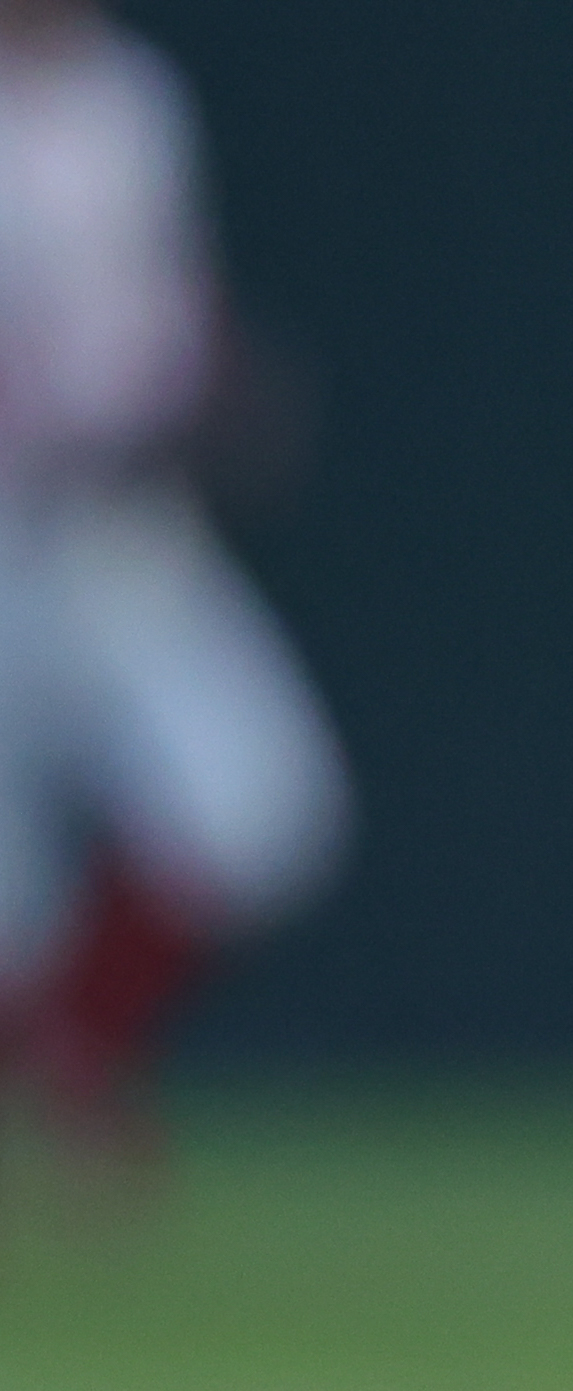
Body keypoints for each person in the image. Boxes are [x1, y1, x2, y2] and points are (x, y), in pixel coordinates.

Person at [0, 0, 344, 1163]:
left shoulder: (132, 96)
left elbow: (155, 307)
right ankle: (71, 1083)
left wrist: (207, 385)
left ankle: (73, 1057)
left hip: (127, 528)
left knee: (260, 803)